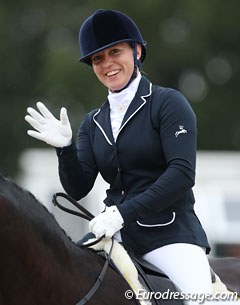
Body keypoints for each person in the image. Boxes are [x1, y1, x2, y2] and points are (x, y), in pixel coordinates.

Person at [25, 9, 215, 304]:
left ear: (136, 51)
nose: (107, 64)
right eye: (98, 59)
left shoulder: (167, 103)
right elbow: (79, 187)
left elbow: (181, 173)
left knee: (202, 300)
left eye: (115, 52)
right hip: (113, 235)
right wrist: (64, 150)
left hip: (170, 235)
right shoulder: (93, 122)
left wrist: (123, 213)